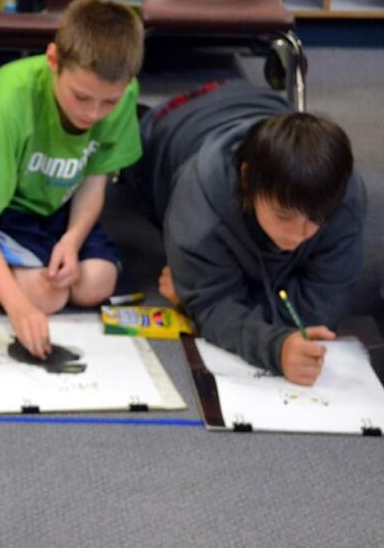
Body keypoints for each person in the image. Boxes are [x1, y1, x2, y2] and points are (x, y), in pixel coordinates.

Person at [0, 0, 143, 359]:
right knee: (43, 297)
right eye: (81, 97)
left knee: (96, 283)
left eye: (108, 102)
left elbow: (93, 183)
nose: (94, 113)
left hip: (54, 202)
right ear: (53, 60)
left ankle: (46, 255)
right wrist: (18, 308)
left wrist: (72, 240)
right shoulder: (11, 101)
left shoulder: (123, 92)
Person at [128, 80, 365, 386]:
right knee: (132, 157)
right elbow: (212, 307)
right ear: (246, 180)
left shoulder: (342, 199)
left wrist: (200, 294)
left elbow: (321, 307)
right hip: (170, 125)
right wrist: (273, 346)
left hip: (263, 103)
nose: (297, 236)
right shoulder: (199, 206)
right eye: (284, 216)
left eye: (315, 220)